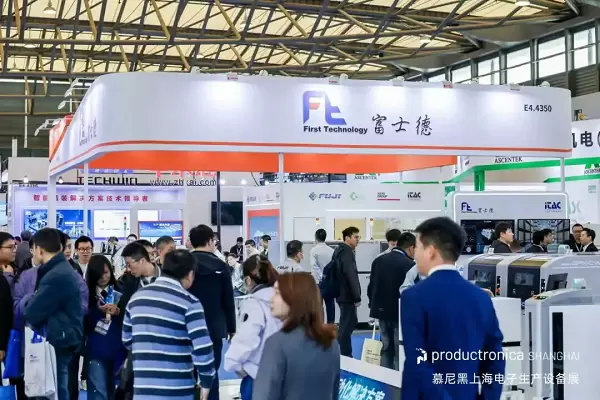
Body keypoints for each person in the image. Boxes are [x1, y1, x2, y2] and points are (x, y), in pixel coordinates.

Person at [401, 217, 504, 400]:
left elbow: (418, 362)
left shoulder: (414, 297)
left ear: (431, 251)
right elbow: (494, 359)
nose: (415, 254)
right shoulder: (481, 298)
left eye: (418, 247)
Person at [122, 250, 216, 400]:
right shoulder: (190, 303)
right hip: (177, 390)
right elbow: (202, 348)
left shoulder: (136, 299)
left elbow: (127, 339)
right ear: (190, 274)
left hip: (143, 389)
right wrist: (206, 382)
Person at [252, 272, 340, 400]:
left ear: (293, 298)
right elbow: (334, 392)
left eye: (277, 293)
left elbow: (264, 395)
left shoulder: (277, 343)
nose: (271, 299)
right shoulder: (331, 342)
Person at [24, 228, 84, 400]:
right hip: (62, 336)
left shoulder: (56, 275)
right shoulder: (60, 270)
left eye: (34, 248)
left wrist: (29, 300)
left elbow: (33, 312)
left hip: (58, 339)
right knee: (56, 388)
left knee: (54, 391)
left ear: (39, 249)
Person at [188, 224, 236, 400]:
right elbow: (228, 299)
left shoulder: (183, 264)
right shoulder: (220, 265)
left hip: (187, 328)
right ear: (210, 241)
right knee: (212, 374)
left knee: (187, 374)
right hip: (213, 328)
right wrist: (231, 327)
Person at [224, 255, 282, 399]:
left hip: (258, 375)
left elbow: (246, 338)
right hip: (284, 373)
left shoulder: (254, 303)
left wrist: (234, 362)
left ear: (248, 280)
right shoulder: (284, 299)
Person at [367, 232, 416, 370]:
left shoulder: (378, 260)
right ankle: (398, 377)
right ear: (411, 248)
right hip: (399, 313)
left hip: (381, 311)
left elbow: (371, 286)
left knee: (385, 346)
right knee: (399, 348)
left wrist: (373, 306)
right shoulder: (410, 265)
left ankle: (385, 376)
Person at [84, 255, 124, 400]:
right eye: (99, 274)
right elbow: (82, 321)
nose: (103, 277)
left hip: (118, 348)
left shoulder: (121, 291)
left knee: (116, 391)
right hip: (95, 349)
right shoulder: (86, 294)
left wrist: (119, 312)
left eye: (106, 272)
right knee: (98, 391)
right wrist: (95, 311)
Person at [334, 226, 361, 357]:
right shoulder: (347, 252)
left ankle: (344, 352)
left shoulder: (338, 250)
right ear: (347, 238)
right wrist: (357, 296)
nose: (358, 240)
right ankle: (346, 354)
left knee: (349, 322)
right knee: (347, 325)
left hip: (341, 293)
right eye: (355, 237)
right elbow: (351, 274)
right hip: (348, 295)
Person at [310, 229, 335, 323]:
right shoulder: (332, 251)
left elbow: (314, 265)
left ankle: (320, 327)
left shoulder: (313, 250)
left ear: (316, 237)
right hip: (329, 282)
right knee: (330, 306)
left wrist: (321, 277)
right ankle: (330, 326)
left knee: (318, 307)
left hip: (318, 283)